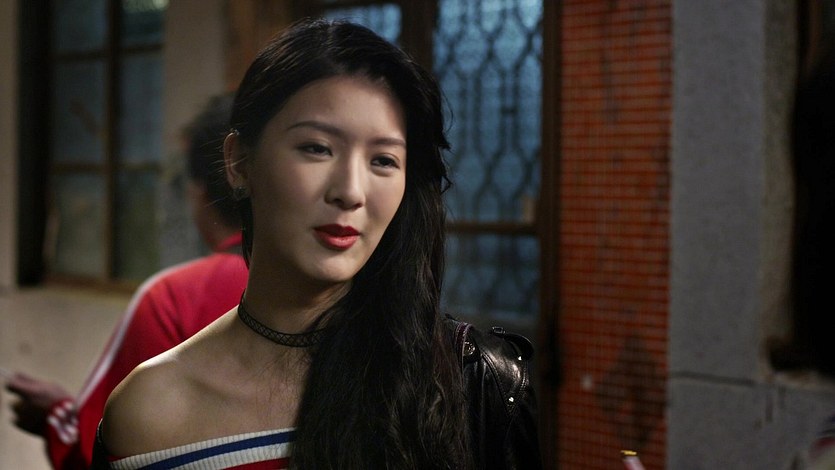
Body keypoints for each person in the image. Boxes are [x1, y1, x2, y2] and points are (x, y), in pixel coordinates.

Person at [95, 19, 541, 469]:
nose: (350, 191)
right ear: (239, 162)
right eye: (317, 148)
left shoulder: (466, 386)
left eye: (383, 160)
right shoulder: (148, 414)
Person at [4, 94, 249, 469]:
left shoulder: (173, 299)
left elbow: (98, 448)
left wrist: (57, 416)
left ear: (199, 190)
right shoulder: (332, 294)